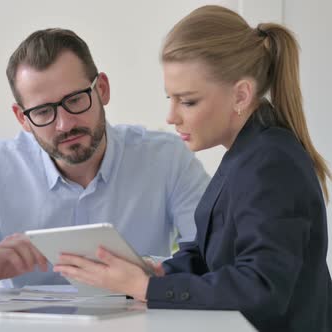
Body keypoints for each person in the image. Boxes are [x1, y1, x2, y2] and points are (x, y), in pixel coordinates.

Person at [53, 5, 331, 332]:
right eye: (170, 98)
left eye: (188, 101)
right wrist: (158, 273)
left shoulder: (271, 163)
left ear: (241, 95)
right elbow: (209, 254)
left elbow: (261, 289)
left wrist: (145, 288)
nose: (171, 116)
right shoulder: (248, 154)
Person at [0, 28, 209, 290]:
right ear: (22, 118)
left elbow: (217, 254)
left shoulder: (167, 159)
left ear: (101, 89)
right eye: (43, 111)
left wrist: (151, 271)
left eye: (75, 100)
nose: (64, 124)